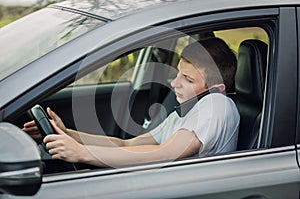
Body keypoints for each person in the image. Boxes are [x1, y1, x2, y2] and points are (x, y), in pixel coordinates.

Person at [23, 37, 240, 168]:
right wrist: (68, 133)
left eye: (188, 79)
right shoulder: (183, 114)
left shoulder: (217, 104)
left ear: (216, 89)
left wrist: (82, 153)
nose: (175, 83)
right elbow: (126, 144)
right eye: (179, 74)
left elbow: (165, 153)